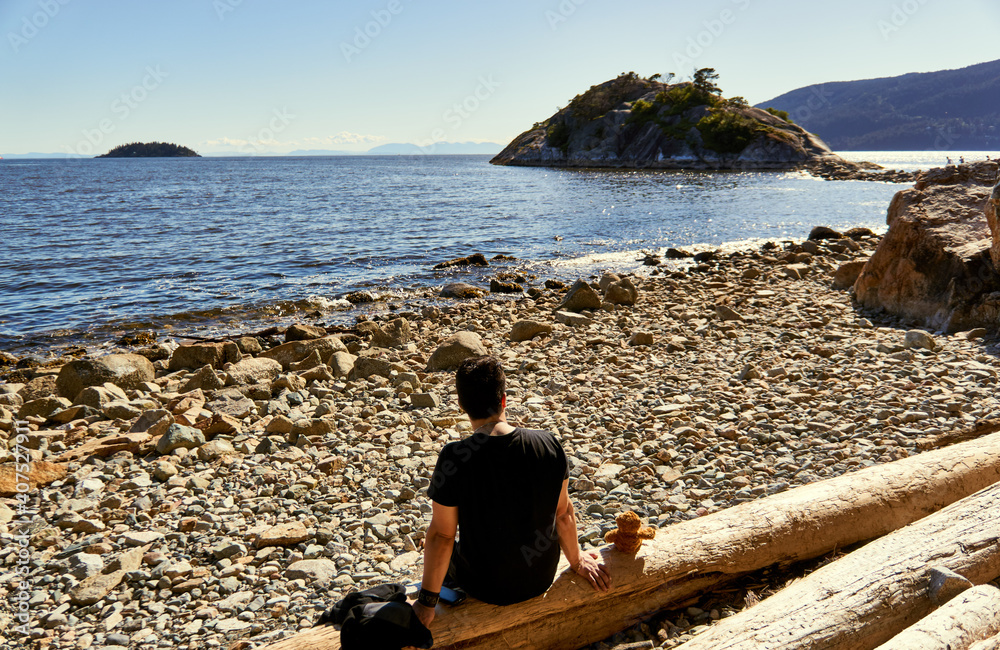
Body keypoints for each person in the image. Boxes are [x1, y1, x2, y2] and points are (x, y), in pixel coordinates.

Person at [412, 356, 611, 627]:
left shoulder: (454, 458)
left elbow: (443, 536)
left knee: (440, 541)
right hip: (540, 578)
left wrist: (425, 603)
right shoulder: (548, 443)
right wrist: (576, 561)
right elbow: (563, 514)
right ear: (504, 399)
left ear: (462, 406)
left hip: (485, 587)